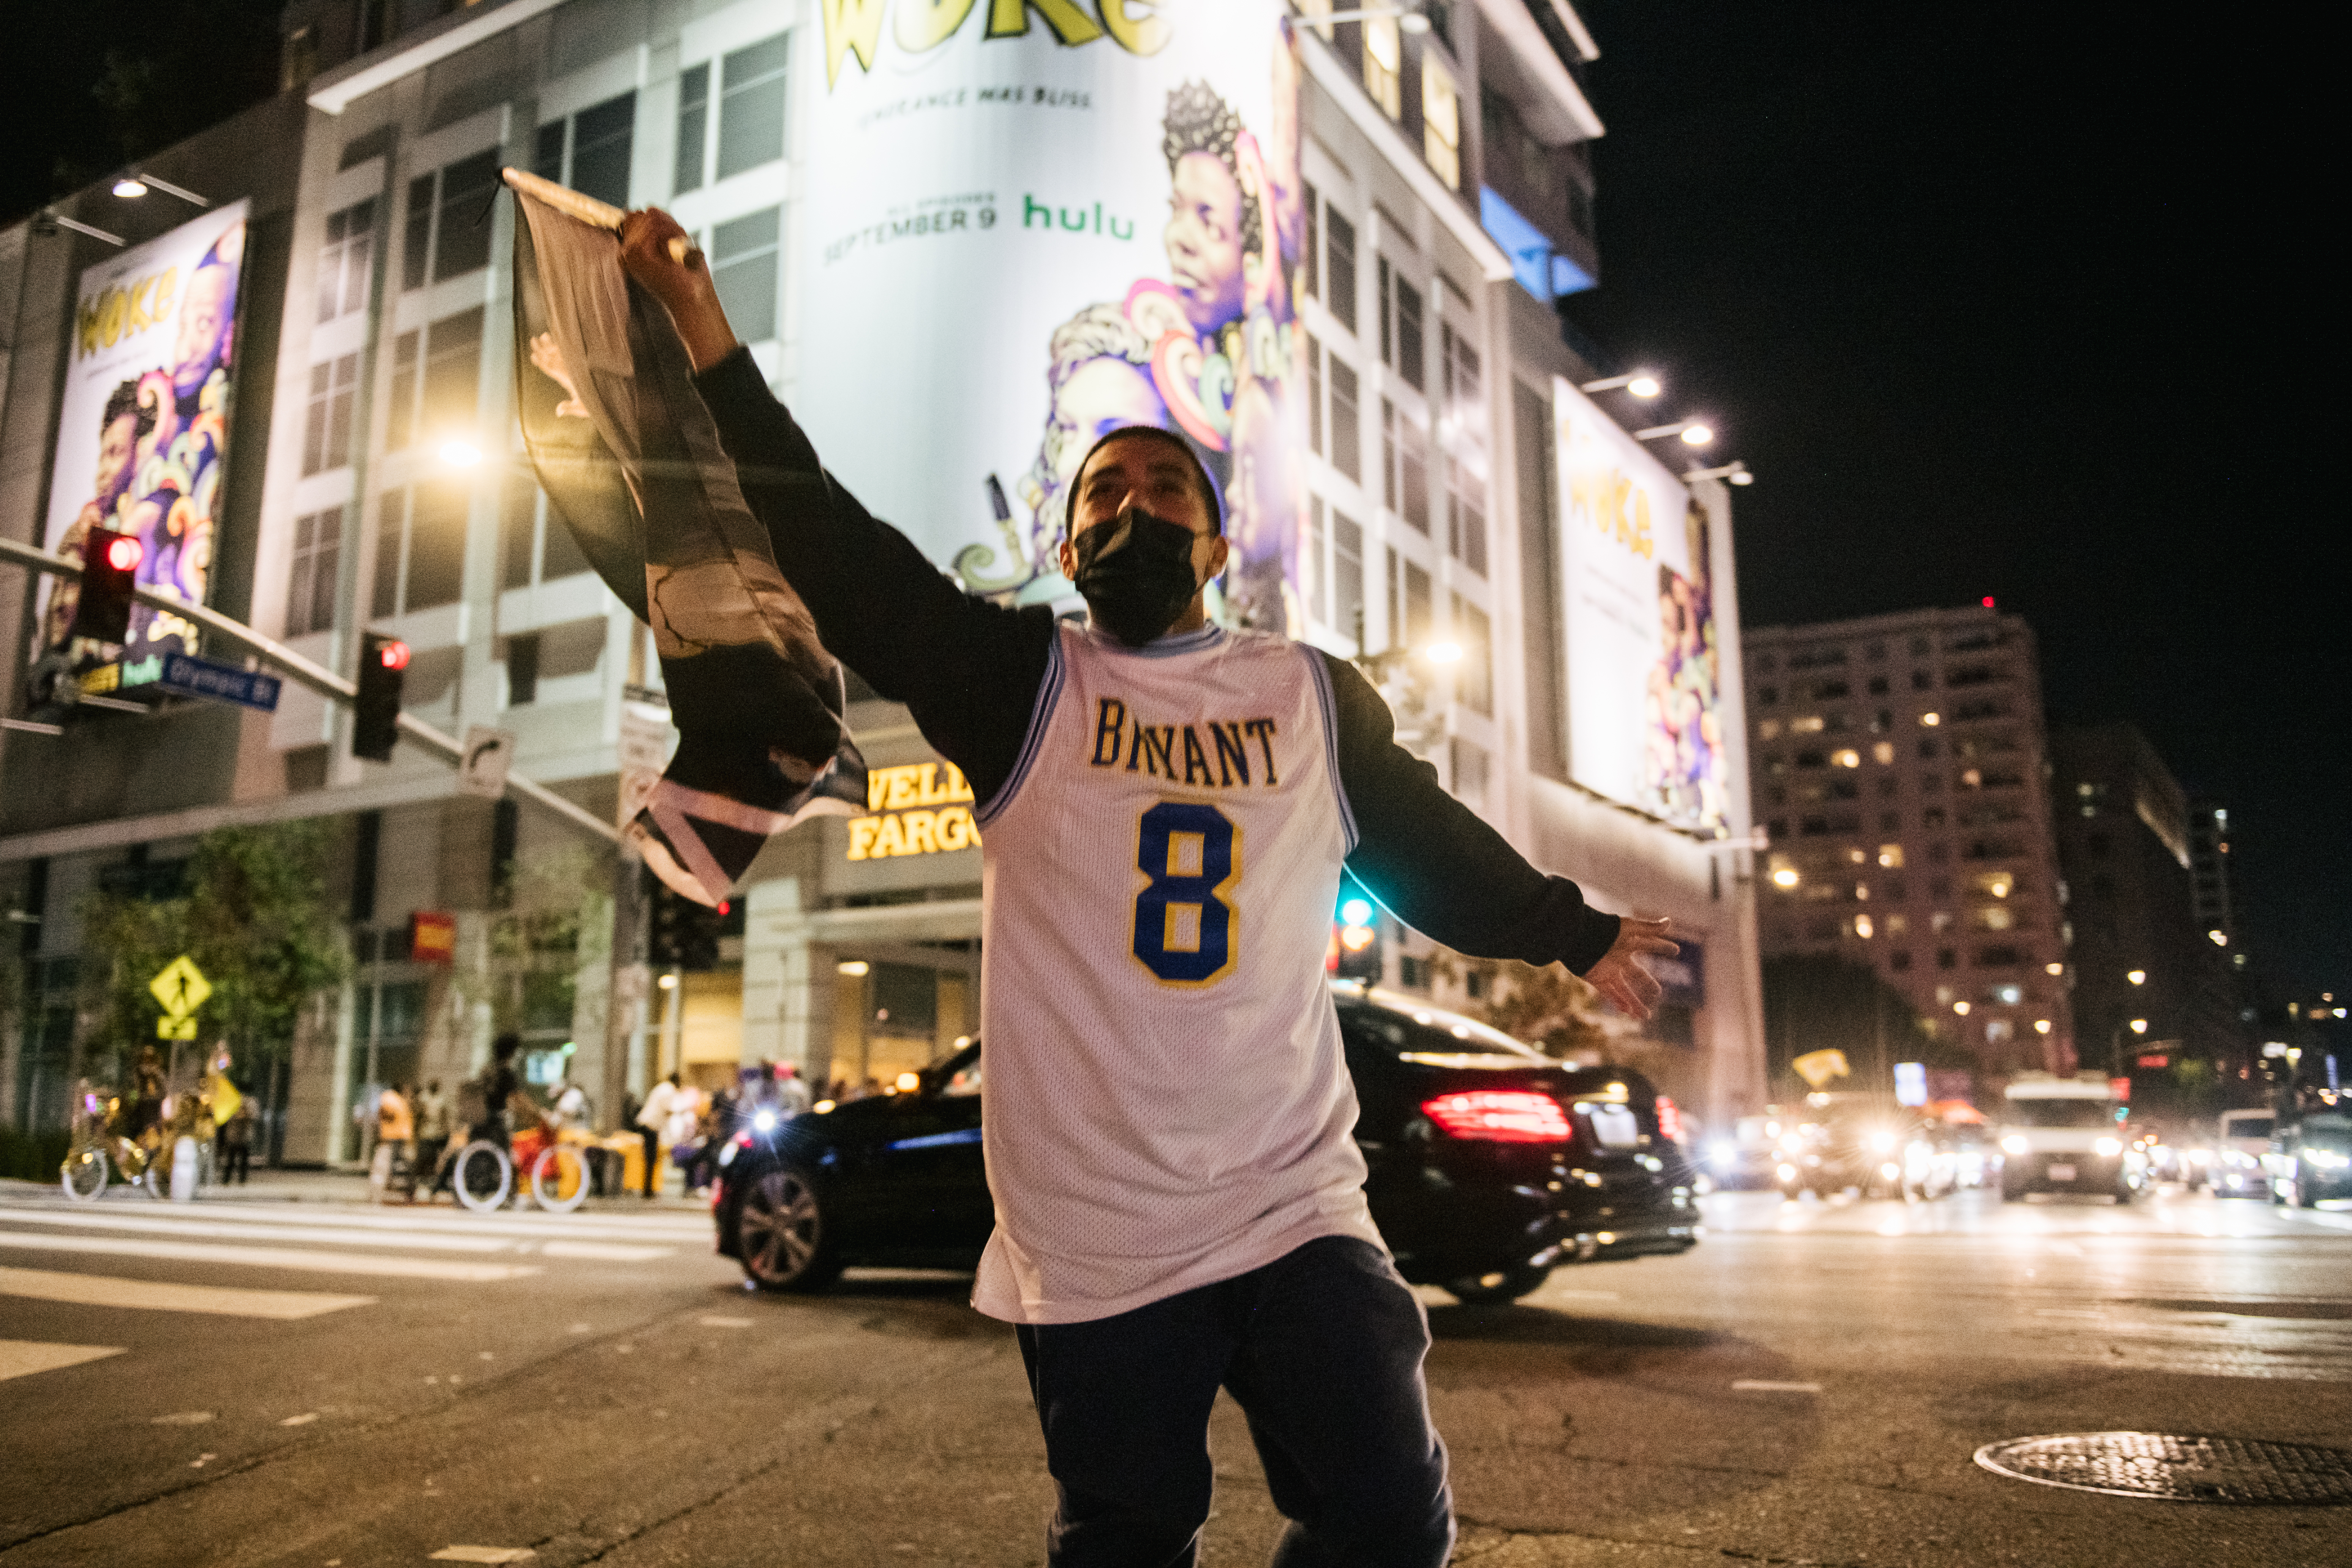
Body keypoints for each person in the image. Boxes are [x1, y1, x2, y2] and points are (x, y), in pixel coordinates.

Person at [615, 209, 1677, 1566]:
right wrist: (705, 330)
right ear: (1064, 550)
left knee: (1384, 1523)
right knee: (1126, 1536)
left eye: (1164, 491)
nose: (1132, 508)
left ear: (1217, 546)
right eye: (1102, 497)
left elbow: (1418, 839)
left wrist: (1569, 931)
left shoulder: (1304, 693)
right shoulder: (1019, 686)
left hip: (1292, 1200)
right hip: (1099, 1226)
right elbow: (832, 546)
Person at [636, 1072, 681, 1199]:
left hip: (649, 1125)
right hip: (651, 1126)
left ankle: (648, 1189)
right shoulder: (669, 1090)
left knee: (650, 1159)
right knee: (651, 1158)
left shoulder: (662, 1087)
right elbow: (667, 1110)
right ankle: (648, 1191)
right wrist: (681, 1112)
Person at [370, 1083, 413, 1203]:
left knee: (391, 1167)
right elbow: (384, 1114)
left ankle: (384, 1192)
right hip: (393, 1138)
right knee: (389, 1166)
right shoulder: (393, 1099)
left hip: (393, 1137)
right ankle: (381, 1194)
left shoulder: (396, 1099)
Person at [412, 1079, 452, 1200]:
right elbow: (418, 1116)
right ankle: (419, 1187)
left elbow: (445, 1118)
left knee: (433, 1162)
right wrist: (415, 1133)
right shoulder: (424, 1098)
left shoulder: (441, 1100)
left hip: (436, 1136)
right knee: (422, 1160)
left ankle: (430, 1187)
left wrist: (446, 1133)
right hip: (425, 1135)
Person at [220, 1099, 254, 1185]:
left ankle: (242, 1180)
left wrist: (244, 1118)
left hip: (243, 1142)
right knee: (230, 1162)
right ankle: (226, 1180)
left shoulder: (246, 1118)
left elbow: (248, 1126)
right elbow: (228, 1126)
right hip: (233, 1141)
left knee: (243, 1162)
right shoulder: (231, 1116)